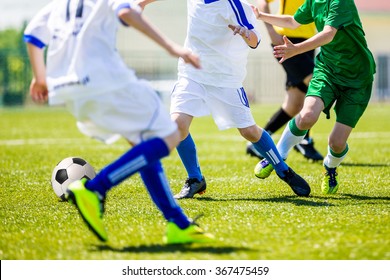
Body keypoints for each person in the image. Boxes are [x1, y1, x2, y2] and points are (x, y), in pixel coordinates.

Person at [24, 0, 215, 244]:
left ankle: (178, 224)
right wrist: (173, 48)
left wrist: (40, 78)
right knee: (170, 135)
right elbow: (125, 11)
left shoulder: (59, 5)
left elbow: (32, 36)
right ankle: (96, 189)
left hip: (69, 91)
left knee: (142, 146)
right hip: (106, 82)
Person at [143, 0, 311, 199]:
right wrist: (142, 3)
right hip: (192, 73)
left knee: (249, 131)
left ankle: (283, 170)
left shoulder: (235, 5)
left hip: (225, 78)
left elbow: (255, 40)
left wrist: (245, 34)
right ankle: (195, 178)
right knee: (177, 126)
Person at [252, 0, 376, 194]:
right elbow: (293, 21)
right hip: (327, 71)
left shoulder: (340, 2)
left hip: (357, 79)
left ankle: (330, 168)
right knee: (307, 114)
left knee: (336, 143)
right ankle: (277, 155)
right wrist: (262, 16)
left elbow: (328, 34)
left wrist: (296, 50)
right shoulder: (313, 1)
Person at [246, 0, 323, 162]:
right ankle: (303, 140)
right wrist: (271, 31)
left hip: (308, 42)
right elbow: (263, 2)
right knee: (315, 82)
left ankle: (257, 143)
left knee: (294, 103)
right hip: (287, 40)